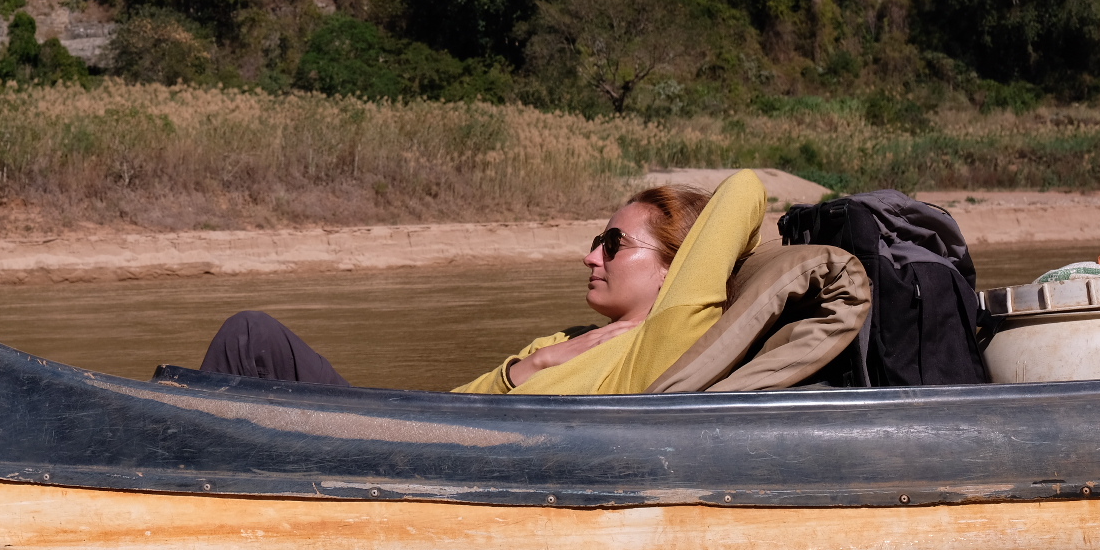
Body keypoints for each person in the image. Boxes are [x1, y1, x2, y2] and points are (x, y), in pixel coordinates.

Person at [196, 170, 767, 395]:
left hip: (439, 453)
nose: (590, 255)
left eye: (613, 243)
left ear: (676, 267)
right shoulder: (564, 341)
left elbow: (743, 191)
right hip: (431, 431)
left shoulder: (662, 345)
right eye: (598, 238)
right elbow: (462, 406)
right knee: (254, 338)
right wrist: (537, 365)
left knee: (251, 337)